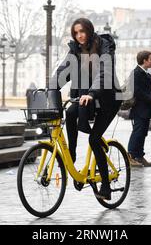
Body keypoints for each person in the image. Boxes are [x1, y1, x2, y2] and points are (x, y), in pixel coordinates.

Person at [50, 17, 121, 200]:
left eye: (82, 31)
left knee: (94, 139)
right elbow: (62, 72)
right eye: (75, 33)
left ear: (89, 30)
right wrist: (49, 88)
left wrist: (92, 93)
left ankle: (105, 186)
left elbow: (105, 72)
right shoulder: (75, 50)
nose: (79, 36)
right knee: (70, 111)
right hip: (86, 98)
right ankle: (71, 154)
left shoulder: (104, 45)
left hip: (108, 98)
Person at [127, 51, 151, 167]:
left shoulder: (147, 74)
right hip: (138, 109)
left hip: (145, 108)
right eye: (150, 59)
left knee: (143, 133)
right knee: (137, 132)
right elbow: (137, 91)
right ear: (144, 60)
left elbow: (148, 91)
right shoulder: (136, 73)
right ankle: (130, 156)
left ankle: (139, 156)